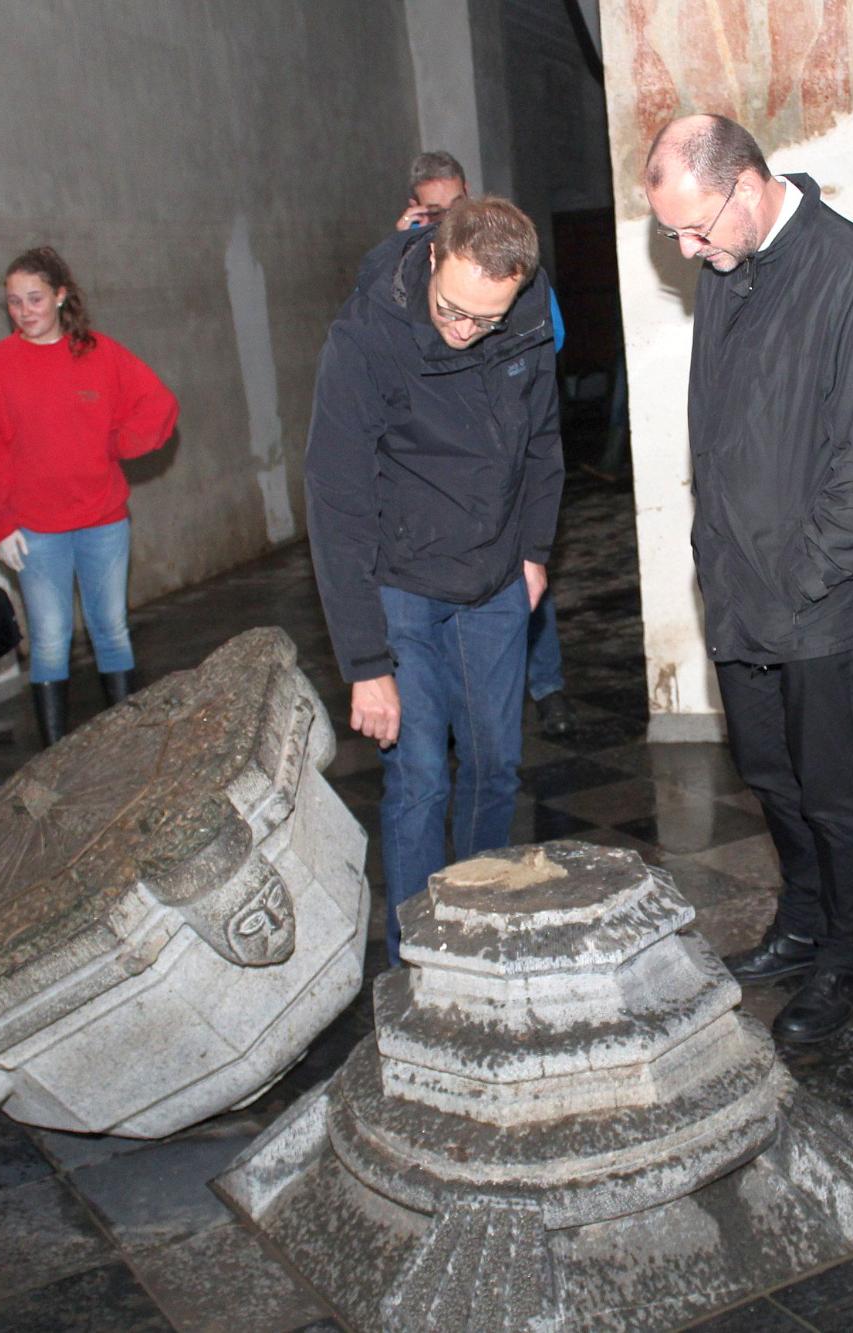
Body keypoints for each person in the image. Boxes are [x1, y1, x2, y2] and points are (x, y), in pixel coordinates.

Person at [643, 115, 853, 1044]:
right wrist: (719, 555)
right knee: (767, 769)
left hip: (817, 596)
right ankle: (802, 921)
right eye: (671, 235)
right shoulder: (728, 265)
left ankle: (848, 954)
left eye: (695, 229)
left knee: (830, 783)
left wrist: (800, 575)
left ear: (749, 186)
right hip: (738, 583)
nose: (686, 251)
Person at [306, 196, 562, 964]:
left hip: (494, 576)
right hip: (400, 582)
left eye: (485, 318)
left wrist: (534, 548)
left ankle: (477, 924)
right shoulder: (365, 340)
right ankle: (418, 958)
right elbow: (336, 502)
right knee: (419, 776)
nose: (464, 329)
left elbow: (543, 439)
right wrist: (366, 663)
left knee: (495, 762)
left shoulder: (519, 311)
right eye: (453, 309)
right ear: (431, 255)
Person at [397, 151, 577, 739]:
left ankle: (546, 686)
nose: (444, 217)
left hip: (510, 429)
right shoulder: (412, 269)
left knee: (528, 572)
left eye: (453, 205)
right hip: (447, 482)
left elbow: (550, 336)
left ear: (467, 195)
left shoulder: (510, 263)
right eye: (431, 211)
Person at [0, 248, 179, 747]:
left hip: (102, 521)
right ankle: (56, 754)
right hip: (35, 530)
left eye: (35, 298)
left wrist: (116, 443)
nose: (24, 311)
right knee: (49, 639)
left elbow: (159, 405)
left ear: (62, 296)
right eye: (14, 302)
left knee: (111, 630)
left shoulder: (100, 354)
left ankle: (128, 742)